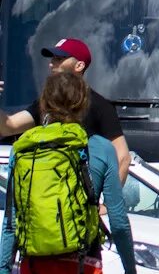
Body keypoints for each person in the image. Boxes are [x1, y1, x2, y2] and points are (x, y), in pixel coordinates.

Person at [0, 70, 137, 274]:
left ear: (44, 105)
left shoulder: (23, 149)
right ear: (83, 103)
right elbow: (119, 220)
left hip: (34, 266)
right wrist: (130, 271)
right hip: (81, 268)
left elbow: (12, 222)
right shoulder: (99, 148)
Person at [2, 40, 130, 183]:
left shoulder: (101, 106)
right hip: (47, 196)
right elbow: (9, 127)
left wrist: (106, 203)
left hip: (81, 200)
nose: (51, 64)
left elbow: (123, 157)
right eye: (52, 59)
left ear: (79, 66)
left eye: (59, 59)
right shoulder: (45, 102)